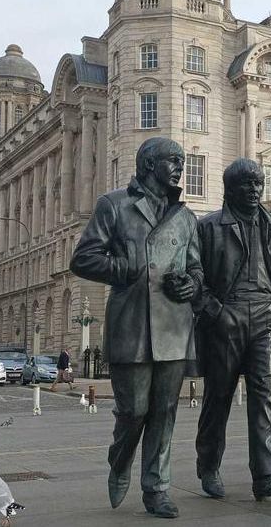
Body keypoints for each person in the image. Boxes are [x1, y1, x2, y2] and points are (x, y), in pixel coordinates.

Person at [69, 137, 204, 519]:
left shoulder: (185, 217)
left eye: (182, 160)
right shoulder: (114, 206)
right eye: (172, 160)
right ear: (148, 164)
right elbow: (83, 259)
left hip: (174, 327)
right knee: (133, 411)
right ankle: (120, 458)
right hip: (132, 325)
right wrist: (122, 269)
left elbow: (197, 268)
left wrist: (191, 284)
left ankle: (156, 488)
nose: (180, 166)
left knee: (164, 411)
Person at [195, 159, 271, 501]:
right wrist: (217, 313)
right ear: (230, 189)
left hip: (266, 319)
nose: (254, 191)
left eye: (258, 184)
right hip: (227, 317)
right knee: (218, 397)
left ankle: (266, 475)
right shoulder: (209, 227)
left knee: (266, 396)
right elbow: (196, 279)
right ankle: (208, 465)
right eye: (246, 185)